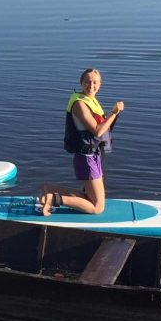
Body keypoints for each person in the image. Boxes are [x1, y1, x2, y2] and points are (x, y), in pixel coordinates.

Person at [38, 68, 124, 215]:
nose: (91, 86)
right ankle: (51, 198)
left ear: (100, 84)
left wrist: (113, 115)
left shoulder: (91, 100)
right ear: (81, 83)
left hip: (93, 155)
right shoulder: (79, 104)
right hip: (86, 158)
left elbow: (102, 130)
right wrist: (114, 112)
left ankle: (50, 189)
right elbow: (97, 130)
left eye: (95, 82)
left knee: (90, 198)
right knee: (97, 208)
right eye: (87, 82)